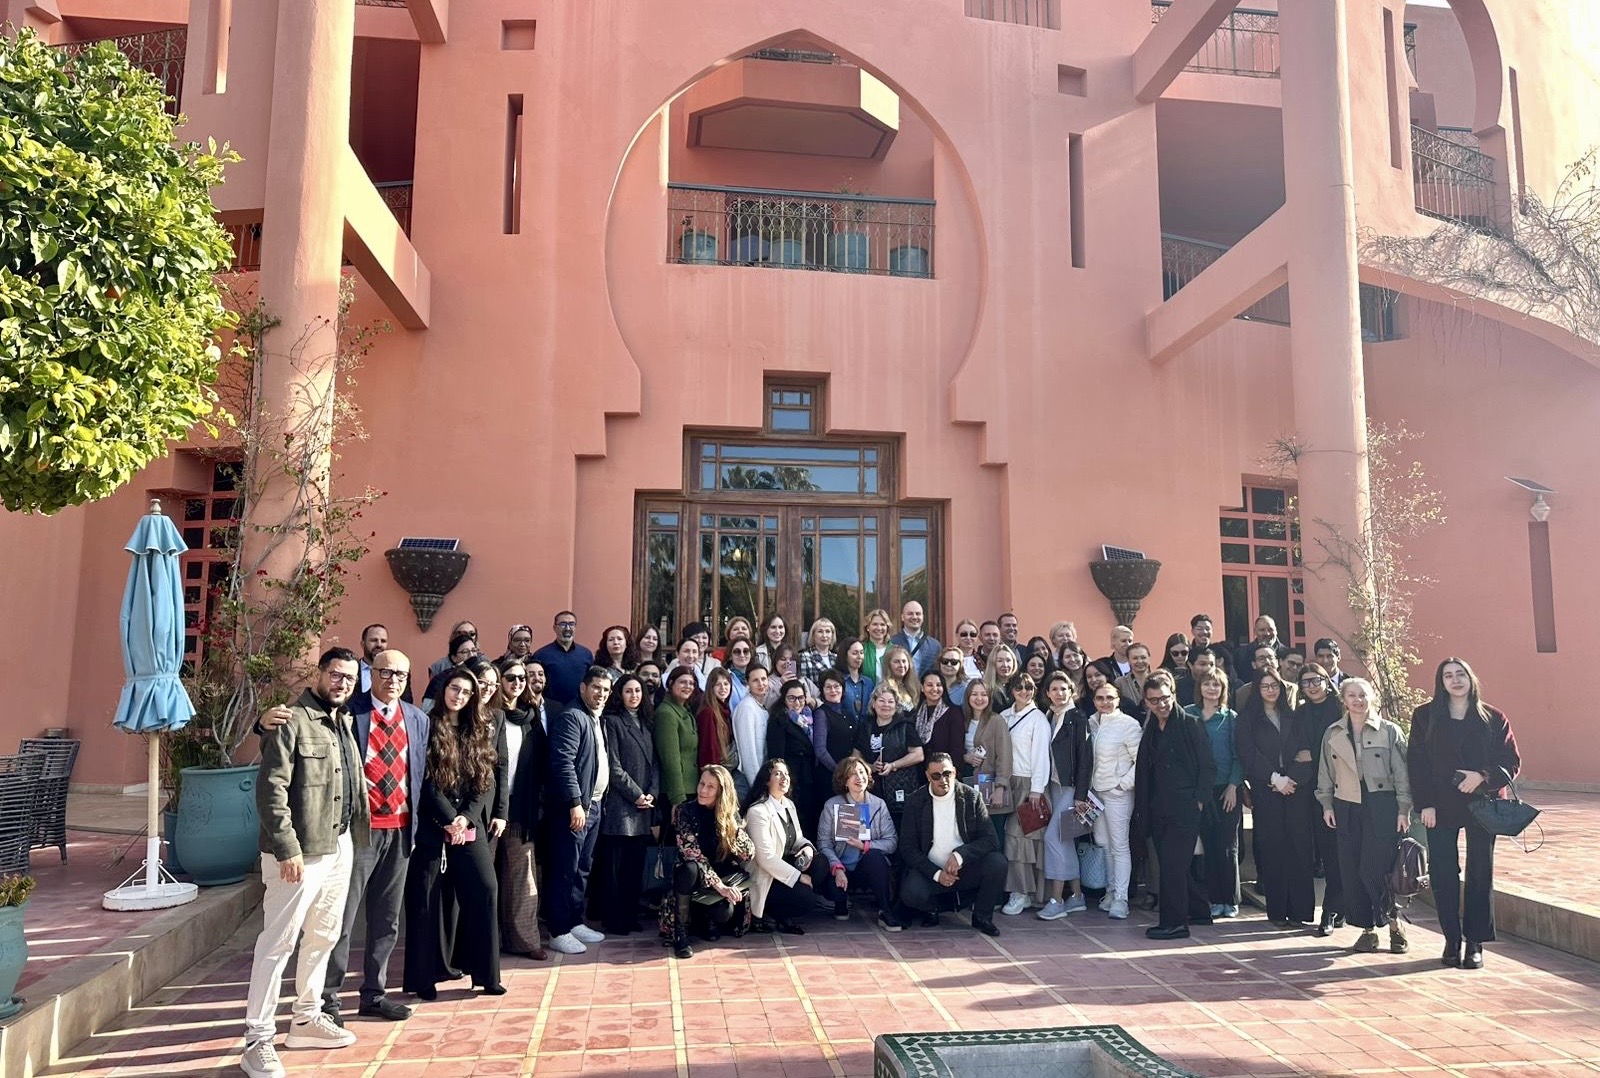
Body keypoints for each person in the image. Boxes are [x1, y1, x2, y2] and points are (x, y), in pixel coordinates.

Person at [240, 649, 365, 1078]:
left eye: (350, 678)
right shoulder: (289, 720)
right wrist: (286, 847)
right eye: (336, 675)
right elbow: (271, 789)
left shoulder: (343, 721)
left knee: (323, 935)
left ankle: (307, 1019)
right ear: (319, 674)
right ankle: (258, 1037)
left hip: (338, 844)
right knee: (278, 943)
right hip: (299, 852)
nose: (342, 683)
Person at [320, 650, 427, 1022]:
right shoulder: (350, 713)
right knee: (342, 918)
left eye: (401, 674)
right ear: (372, 674)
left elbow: (419, 773)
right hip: (359, 832)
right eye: (385, 672)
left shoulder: (417, 718)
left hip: (400, 830)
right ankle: (327, 1000)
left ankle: (374, 994)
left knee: (386, 919)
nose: (393, 680)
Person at [1408, 658, 1522, 969]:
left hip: (1482, 804)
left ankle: (1475, 942)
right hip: (1440, 804)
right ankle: (1451, 939)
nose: (1455, 680)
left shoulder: (1493, 717)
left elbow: (1511, 761)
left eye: (1461, 674)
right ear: (1441, 682)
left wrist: (1482, 777)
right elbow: (1417, 763)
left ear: (1471, 679)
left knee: (1480, 871)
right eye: (1448, 675)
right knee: (1443, 872)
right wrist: (1425, 804)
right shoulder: (1425, 716)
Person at [402, 666, 502, 999]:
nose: (459, 696)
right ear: (443, 689)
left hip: (469, 828)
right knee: (425, 901)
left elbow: (485, 782)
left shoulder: (479, 731)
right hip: (432, 828)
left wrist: (466, 819)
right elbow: (425, 780)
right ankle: (423, 979)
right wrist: (449, 818)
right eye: (455, 688)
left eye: (466, 692)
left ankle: (486, 975)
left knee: (486, 889)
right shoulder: (426, 726)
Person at [1316, 678, 1412, 956]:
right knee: (1352, 869)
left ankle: (1394, 924)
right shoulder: (1332, 732)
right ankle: (1367, 930)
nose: (1358, 700)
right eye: (1352, 695)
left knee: (1378, 868)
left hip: (1382, 804)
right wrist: (1326, 804)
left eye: (1363, 695)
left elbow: (1402, 773)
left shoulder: (1389, 731)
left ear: (1372, 698)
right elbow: (1325, 772)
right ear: (1344, 699)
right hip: (1346, 804)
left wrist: (1404, 809)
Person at [1134, 671, 1216, 940]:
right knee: (1173, 864)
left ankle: (1175, 923)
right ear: (1147, 702)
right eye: (1154, 700)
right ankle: (1199, 911)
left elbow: (1207, 766)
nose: (1161, 704)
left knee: (1172, 867)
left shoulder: (1191, 724)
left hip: (1185, 808)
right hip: (1158, 808)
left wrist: (1199, 801)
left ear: (1173, 695)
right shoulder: (1150, 729)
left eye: (1165, 698)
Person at [897, 753, 1008, 936]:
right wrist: (936, 874)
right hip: (929, 871)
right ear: (927, 776)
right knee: (911, 892)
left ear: (955, 772)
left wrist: (960, 855)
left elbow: (991, 839)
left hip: (964, 869)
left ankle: (982, 917)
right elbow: (908, 848)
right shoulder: (915, 801)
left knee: (997, 863)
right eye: (936, 776)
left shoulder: (972, 797)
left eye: (947, 774)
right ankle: (933, 909)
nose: (943, 780)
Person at [1237, 669, 1316, 928]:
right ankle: (1278, 911)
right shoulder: (1248, 720)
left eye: (1275, 685)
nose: (1271, 690)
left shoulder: (1293, 716)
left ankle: (1300, 910)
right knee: (1274, 849)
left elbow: (1305, 752)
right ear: (1257, 690)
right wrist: (1273, 778)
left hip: (1296, 790)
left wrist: (1291, 779)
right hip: (1267, 791)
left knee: (1299, 848)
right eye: (1265, 686)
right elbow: (1248, 754)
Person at [545, 666, 613, 955]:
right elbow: (563, 763)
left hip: (594, 806)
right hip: (575, 809)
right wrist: (575, 803)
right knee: (565, 869)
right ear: (583, 688)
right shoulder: (572, 717)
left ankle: (574, 921)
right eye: (596, 687)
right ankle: (558, 929)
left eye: (606, 690)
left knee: (582, 868)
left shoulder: (595, 718)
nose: (601, 694)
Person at [662, 765, 756, 958]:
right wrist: (721, 887)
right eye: (701, 784)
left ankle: (704, 920)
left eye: (710, 787)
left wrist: (733, 826)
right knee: (688, 868)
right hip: (694, 879)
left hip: (720, 877)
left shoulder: (730, 814)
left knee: (723, 913)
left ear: (722, 792)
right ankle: (680, 933)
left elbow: (749, 854)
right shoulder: (684, 811)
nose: (703, 790)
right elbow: (693, 854)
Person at [597, 674, 659, 936]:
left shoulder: (647, 722)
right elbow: (614, 766)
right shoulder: (612, 722)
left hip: (644, 806)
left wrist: (652, 793)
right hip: (621, 806)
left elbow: (655, 763)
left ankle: (631, 915)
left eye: (638, 691)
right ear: (619, 695)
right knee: (616, 867)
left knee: (635, 866)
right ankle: (614, 919)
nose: (634, 696)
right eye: (628, 691)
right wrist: (636, 795)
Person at [494, 657, 547, 959]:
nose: (517, 683)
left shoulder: (530, 716)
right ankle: (488, 943)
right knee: (488, 877)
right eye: (511, 677)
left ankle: (525, 940)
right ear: (500, 681)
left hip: (521, 807)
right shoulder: (489, 714)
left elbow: (540, 763)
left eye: (521, 678)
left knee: (523, 874)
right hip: (490, 807)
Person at [816, 755, 901, 929]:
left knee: (875, 856)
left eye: (862, 772)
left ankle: (885, 910)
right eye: (852, 774)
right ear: (844, 780)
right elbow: (823, 843)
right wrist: (837, 867)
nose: (859, 777)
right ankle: (840, 902)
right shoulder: (832, 805)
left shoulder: (878, 805)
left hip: (866, 867)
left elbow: (892, 842)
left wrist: (866, 846)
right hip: (841, 868)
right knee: (831, 884)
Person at [1084, 677, 1141, 919]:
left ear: (1118, 700)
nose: (1105, 702)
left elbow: (1140, 760)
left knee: (1119, 846)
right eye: (1100, 698)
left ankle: (1121, 898)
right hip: (1096, 794)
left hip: (1118, 794)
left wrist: (1123, 785)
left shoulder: (1128, 724)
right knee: (1103, 843)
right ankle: (1110, 891)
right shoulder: (1091, 723)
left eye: (1110, 697)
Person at [1296, 663, 1345, 937]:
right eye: (1305, 682)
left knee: (1338, 852)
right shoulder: (1300, 713)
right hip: (1311, 789)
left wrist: (1313, 756)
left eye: (1316, 680)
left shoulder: (1341, 709)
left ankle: (1332, 909)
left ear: (1327, 680)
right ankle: (1335, 907)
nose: (1311, 686)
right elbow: (1296, 750)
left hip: (1343, 787)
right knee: (1326, 852)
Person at [1189, 668, 1241, 920]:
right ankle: (1213, 898)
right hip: (1199, 790)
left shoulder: (1230, 718)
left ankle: (1229, 899)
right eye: (1207, 684)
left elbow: (1238, 756)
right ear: (1199, 687)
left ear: (1223, 689)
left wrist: (1233, 786)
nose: (1211, 689)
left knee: (1227, 845)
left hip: (1226, 789)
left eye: (1216, 685)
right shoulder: (1188, 714)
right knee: (1208, 844)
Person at [743, 758, 818, 933]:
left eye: (786, 774)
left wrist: (807, 848)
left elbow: (797, 838)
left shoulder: (788, 804)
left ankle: (783, 910)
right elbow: (765, 858)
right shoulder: (757, 811)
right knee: (807, 899)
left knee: (820, 864)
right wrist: (799, 877)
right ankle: (771, 912)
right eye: (778, 774)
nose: (784, 778)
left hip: (785, 868)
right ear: (767, 780)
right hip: (767, 877)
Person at [1038, 671, 1089, 921]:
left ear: (1071, 691)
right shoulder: (1049, 716)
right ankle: (1077, 896)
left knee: (1054, 838)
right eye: (1054, 689)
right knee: (1065, 840)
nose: (1059, 693)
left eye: (1064, 689)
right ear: (1048, 693)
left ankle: (1057, 900)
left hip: (1071, 788)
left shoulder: (1077, 717)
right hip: (1053, 786)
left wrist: (1081, 794)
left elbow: (1085, 758)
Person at [1000, 673, 1050, 916]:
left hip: (1029, 784)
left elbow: (1041, 757)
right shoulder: (1004, 716)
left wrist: (1036, 790)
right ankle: (1022, 891)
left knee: (1022, 840)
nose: (1024, 691)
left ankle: (1022, 893)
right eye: (1019, 687)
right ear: (1011, 690)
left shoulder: (1038, 719)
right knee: (1013, 839)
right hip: (1007, 782)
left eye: (1029, 687)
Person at [852, 683, 925, 826]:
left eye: (891, 701)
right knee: (865, 829)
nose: (886, 705)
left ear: (896, 705)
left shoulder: (905, 726)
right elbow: (855, 756)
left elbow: (918, 754)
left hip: (900, 789)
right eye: (881, 700)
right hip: (870, 788)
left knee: (899, 829)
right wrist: (870, 767)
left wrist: (893, 765)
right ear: (873, 704)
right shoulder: (865, 726)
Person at [765, 679, 821, 836]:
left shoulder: (808, 718)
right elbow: (776, 755)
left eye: (801, 698)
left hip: (809, 774)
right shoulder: (779, 720)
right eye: (792, 698)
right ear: (784, 699)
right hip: (793, 778)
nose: (797, 702)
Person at [964, 679, 1013, 846]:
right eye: (974, 694)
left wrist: (1000, 787)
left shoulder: (996, 720)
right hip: (968, 783)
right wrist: (965, 757)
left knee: (994, 837)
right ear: (968, 697)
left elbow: (1004, 755)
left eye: (984, 694)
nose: (979, 698)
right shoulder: (962, 719)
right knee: (973, 836)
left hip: (990, 785)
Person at [654, 666, 701, 809]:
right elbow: (670, 759)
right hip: (676, 792)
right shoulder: (666, 713)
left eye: (691, 683)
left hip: (690, 788)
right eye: (683, 682)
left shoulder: (685, 710)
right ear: (671, 683)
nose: (688, 686)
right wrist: (677, 798)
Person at [532, 611, 595, 710]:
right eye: (562, 624)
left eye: (571, 624)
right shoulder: (541, 655)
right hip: (550, 710)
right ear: (554, 628)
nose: (567, 628)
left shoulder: (586, 654)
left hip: (580, 709)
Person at [911, 669, 964, 771]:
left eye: (939, 685)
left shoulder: (954, 713)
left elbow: (957, 749)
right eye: (929, 685)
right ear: (922, 688)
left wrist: (952, 773)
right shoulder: (914, 714)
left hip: (944, 772)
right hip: (918, 772)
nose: (934, 689)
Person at [731, 665, 772, 796]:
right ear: (747, 683)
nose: (761, 684)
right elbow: (748, 753)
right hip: (747, 780)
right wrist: (757, 788)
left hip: (759, 777)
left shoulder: (759, 706)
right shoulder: (747, 708)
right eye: (755, 680)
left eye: (763, 679)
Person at [812, 669, 858, 775]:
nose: (833, 690)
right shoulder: (821, 714)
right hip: (831, 774)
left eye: (837, 686)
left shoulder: (848, 713)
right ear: (822, 690)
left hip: (850, 773)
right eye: (828, 687)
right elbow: (820, 751)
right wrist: (839, 771)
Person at [420, 630, 479, 713]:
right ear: (454, 658)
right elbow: (427, 711)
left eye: (474, 650)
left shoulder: (481, 675)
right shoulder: (440, 680)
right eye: (465, 652)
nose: (471, 655)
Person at [696, 667, 740, 774]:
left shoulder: (725, 709)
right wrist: (714, 775)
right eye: (718, 684)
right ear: (711, 687)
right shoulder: (708, 712)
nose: (723, 688)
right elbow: (709, 748)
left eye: (726, 684)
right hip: (716, 772)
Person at [892, 600, 943, 678]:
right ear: (902, 617)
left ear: (923, 617)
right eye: (910, 614)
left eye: (918, 614)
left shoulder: (935, 646)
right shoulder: (892, 642)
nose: (914, 617)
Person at [837, 638, 875, 724]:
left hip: (866, 730)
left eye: (861, 653)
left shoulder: (869, 682)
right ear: (844, 655)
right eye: (855, 653)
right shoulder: (838, 681)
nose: (859, 657)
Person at [799, 617, 838, 684]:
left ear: (832, 635)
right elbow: (803, 683)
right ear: (813, 635)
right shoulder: (805, 656)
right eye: (820, 631)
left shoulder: (836, 658)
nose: (824, 635)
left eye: (827, 631)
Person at [982, 643, 1019, 712]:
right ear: (993, 663)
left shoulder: (1020, 685)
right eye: (1000, 661)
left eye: (1008, 660)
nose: (1005, 665)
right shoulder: (985, 688)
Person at [722, 637, 757, 708]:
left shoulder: (757, 676)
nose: (742, 655)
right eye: (737, 652)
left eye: (746, 651)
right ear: (730, 656)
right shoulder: (724, 677)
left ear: (751, 654)